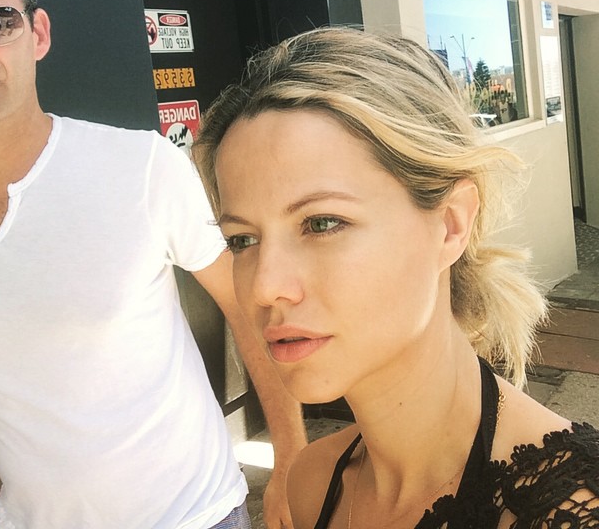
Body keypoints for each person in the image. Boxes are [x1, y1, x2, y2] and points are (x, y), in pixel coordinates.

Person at [0, 0, 307, 529]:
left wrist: (292, 461)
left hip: (193, 517)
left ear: (37, 34)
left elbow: (249, 304)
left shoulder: (139, 166)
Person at [193, 27, 599, 528]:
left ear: (450, 225)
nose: (263, 286)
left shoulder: (572, 509)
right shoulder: (313, 483)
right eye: (241, 240)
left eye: (322, 223)